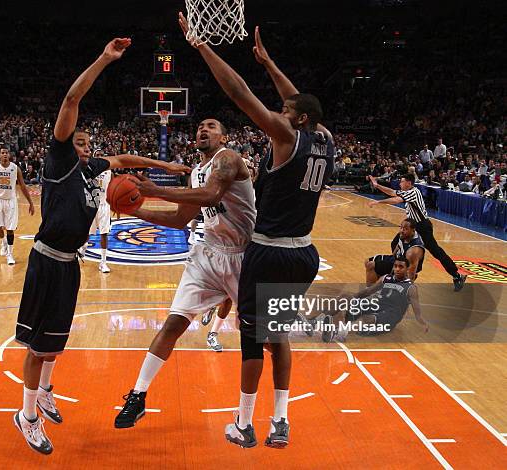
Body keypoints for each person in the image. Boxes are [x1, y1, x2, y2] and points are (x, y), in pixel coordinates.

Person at [12, 38, 189, 455]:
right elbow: (73, 97)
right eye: (80, 144)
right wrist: (105, 59)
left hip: (70, 263)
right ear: (66, 143)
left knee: (56, 341)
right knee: (40, 346)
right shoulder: (58, 159)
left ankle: (45, 390)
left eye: (89, 146)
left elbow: (124, 159)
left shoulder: (90, 168)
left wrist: (165, 167)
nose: (86, 150)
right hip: (46, 260)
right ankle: (28, 416)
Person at [179, 17, 334, 448]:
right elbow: (297, 99)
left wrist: (201, 47)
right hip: (304, 252)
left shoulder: (286, 135)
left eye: (285, 111)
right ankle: (280, 420)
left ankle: (245, 424)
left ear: (296, 119)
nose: (279, 112)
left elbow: (238, 94)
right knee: (278, 335)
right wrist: (268, 62)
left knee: (251, 341)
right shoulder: (324, 137)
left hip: (267, 252)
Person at [114, 117, 255, 429]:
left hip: (243, 257)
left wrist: (155, 192)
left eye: (212, 126)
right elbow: (180, 220)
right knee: (173, 323)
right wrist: (135, 210)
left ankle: (254, 414)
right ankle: (138, 395)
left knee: (262, 338)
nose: (203, 130)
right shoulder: (196, 172)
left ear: (224, 136)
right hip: (207, 256)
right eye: (200, 127)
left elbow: (211, 196)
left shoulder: (228, 159)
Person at [368, 173, 467, 291]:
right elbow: (393, 192)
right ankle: (401, 270)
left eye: (402, 181)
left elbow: (396, 199)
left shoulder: (413, 192)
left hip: (422, 227)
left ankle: (456, 275)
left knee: (436, 251)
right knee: (396, 243)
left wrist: (378, 202)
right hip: (413, 226)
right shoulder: (408, 191)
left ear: (409, 183)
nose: (400, 183)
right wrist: (377, 185)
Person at [323, 256, 429, 342]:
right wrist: (350, 300)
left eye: (401, 267)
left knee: (366, 318)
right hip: (375, 305)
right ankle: (320, 318)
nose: (397, 269)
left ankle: (337, 333)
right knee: (345, 297)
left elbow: (417, 312)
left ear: (407, 269)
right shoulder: (386, 278)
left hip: (390, 316)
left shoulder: (411, 288)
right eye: (395, 266)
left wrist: (422, 323)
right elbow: (367, 292)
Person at [0, 147, 35, 265]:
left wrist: (30, 202)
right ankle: (3, 241)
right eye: (2, 153)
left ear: (9, 155)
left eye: (6, 153)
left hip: (11, 201)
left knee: (10, 229)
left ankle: (10, 254)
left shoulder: (15, 169)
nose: (5, 154)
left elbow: (23, 186)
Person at [365, 218, 425, 285]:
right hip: (396, 260)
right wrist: (391, 257)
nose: (402, 230)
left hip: (403, 267)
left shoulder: (413, 251)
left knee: (371, 265)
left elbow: (411, 273)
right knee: (367, 261)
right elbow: (399, 245)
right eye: (401, 227)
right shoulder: (404, 234)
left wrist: (405, 288)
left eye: (405, 229)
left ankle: (371, 292)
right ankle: (378, 289)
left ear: (413, 230)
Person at [79, 156, 112, 273]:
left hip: (104, 205)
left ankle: (103, 262)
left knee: (104, 233)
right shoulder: (87, 170)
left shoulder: (109, 171)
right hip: (91, 204)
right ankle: (83, 247)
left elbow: (112, 189)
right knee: (87, 233)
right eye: (97, 155)